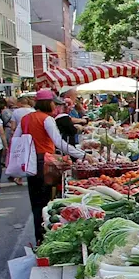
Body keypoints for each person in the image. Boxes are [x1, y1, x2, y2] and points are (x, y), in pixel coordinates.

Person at [19, 88, 84, 242]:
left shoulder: (26, 118)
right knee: (48, 204)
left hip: (30, 163)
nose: (56, 107)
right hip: (46, 163)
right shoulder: (46, 119)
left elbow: (17, 139)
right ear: (48, 103)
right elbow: (59, 142)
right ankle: (48, 236)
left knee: (35, 203)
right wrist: (83, 155)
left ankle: (39, 238)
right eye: (54, 104)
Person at [7, 94, 36, 186]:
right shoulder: (33, 111)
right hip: (32, 136)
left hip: (21, 135)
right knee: (30, 155)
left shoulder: (16, 112)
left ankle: (18, 176)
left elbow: (13, 126)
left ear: (19, 103)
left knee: (20, 155)